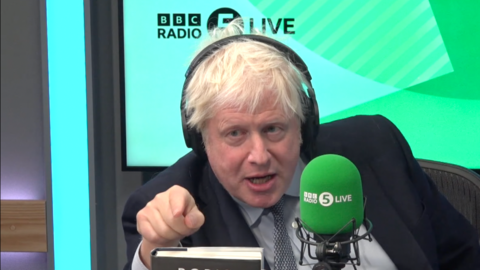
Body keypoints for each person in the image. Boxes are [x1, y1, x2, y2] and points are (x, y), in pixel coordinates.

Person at [122, 20, 480, 270]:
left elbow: (464, 257)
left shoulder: (378, 149)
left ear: (303, 125)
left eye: (274, 128)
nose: (259, 156)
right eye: (235, 134)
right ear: (200, 137)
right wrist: (156, 250)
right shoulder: (172, 204)